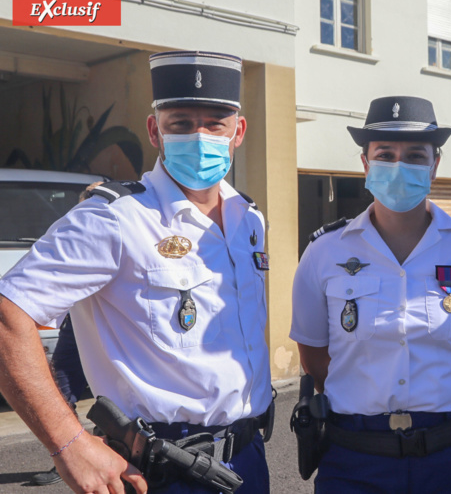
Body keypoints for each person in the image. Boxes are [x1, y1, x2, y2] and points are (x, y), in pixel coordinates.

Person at [0, 50, 273, 494]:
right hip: (161, 472)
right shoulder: (115, 217)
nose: (199, 136)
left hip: (247, 459)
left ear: (237, 131)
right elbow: (8, 315)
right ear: (155, 130)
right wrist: (69, 445)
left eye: (214, 124)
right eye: (181, 123)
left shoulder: (250, 219)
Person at [290, 96, 451, 493]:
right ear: (365, 164)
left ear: (435, 165)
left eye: (415, 155)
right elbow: (315, 360)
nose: (400, 166)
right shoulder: (324, 253)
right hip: (354, 458)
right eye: (385, 154)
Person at [31, 183, 100, 487]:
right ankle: (65, 457)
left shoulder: (126, 233)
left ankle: (107, 453)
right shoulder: (74, 236)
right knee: (63, 389)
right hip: (75, 325)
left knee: (114, 399)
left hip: (109, 330)